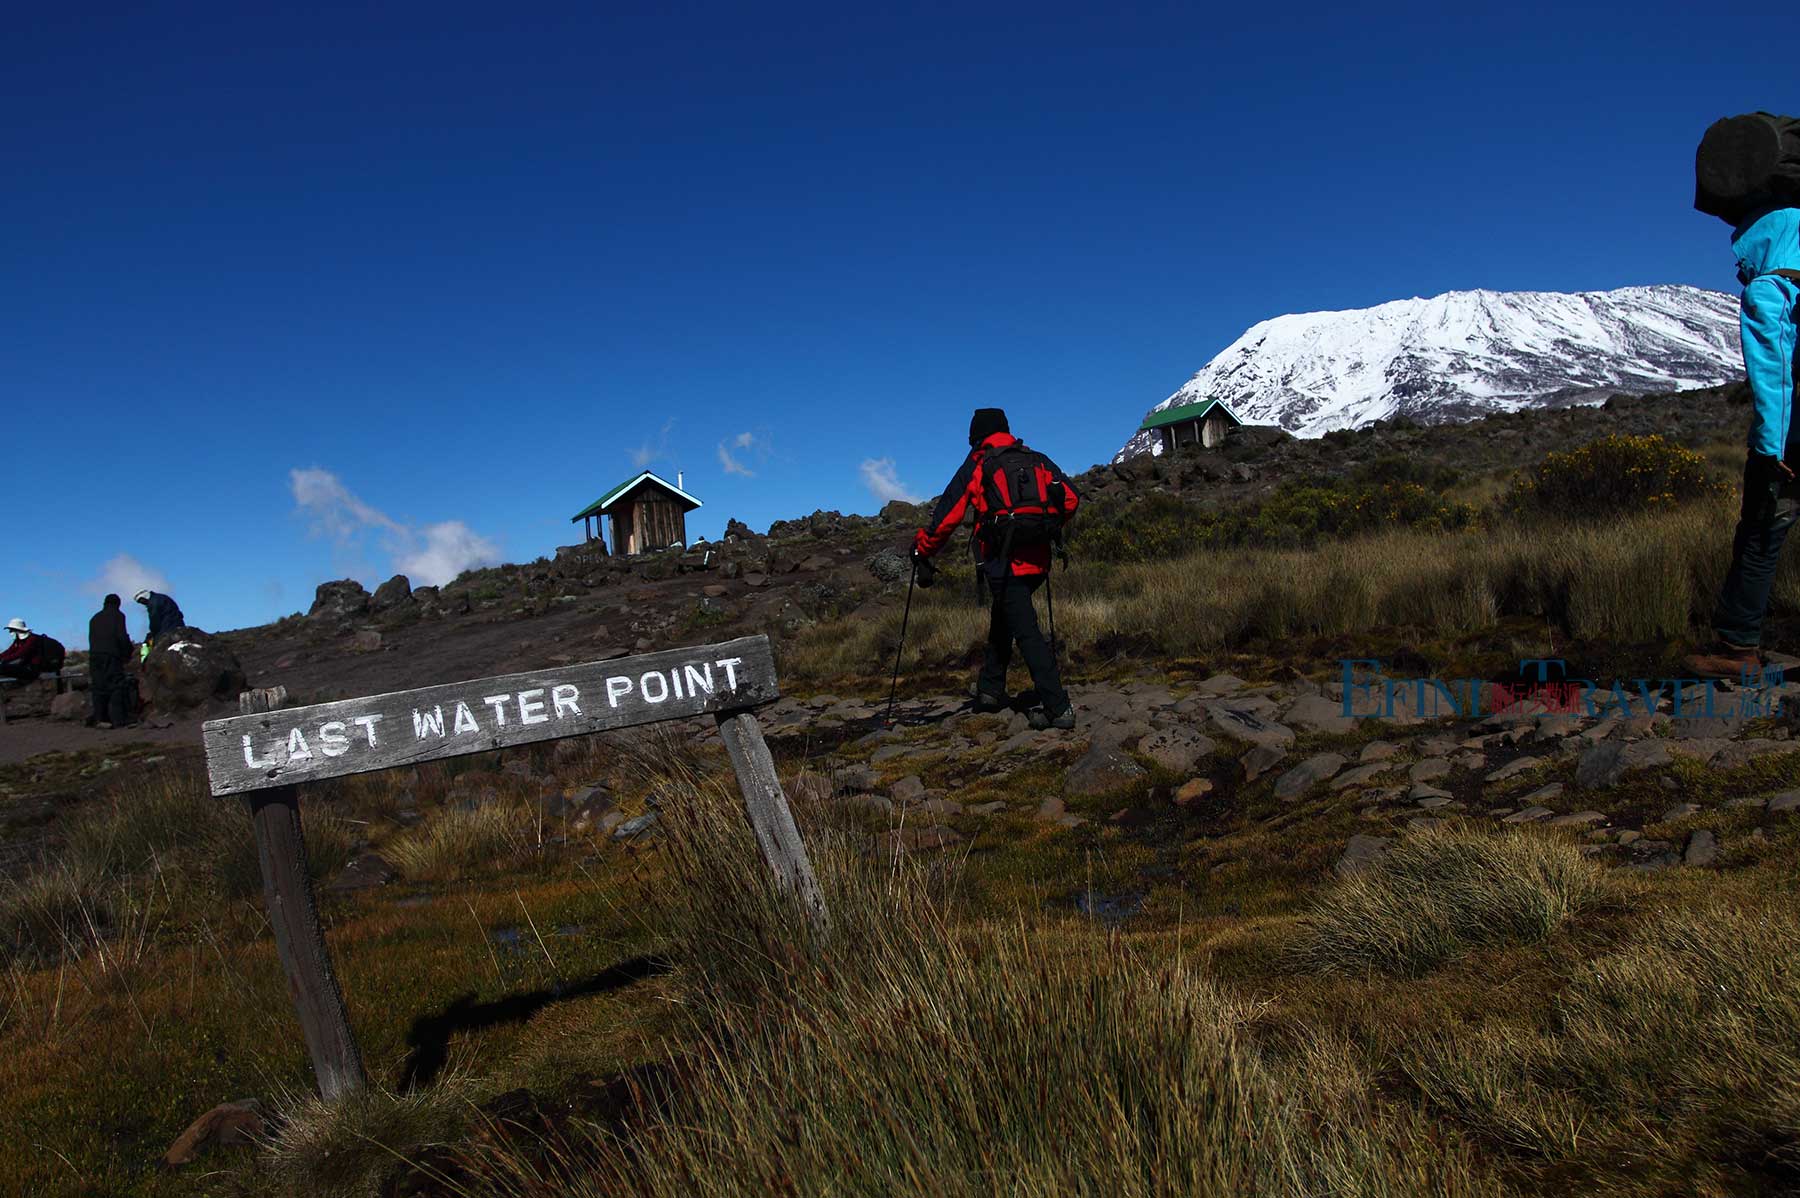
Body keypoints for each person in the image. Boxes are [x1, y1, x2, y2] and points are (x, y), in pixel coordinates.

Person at [1685, 205, 1800, 680]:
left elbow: (1773, 374)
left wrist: (1773, 450)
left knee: (1759, 538)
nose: (1739, 264)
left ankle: (1737, 651)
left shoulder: (1768, 292)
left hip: (1789, 447)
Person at [913, 407, 1081, 729]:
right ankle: (990, 689)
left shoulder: (979, 463)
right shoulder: (1037, 459)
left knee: (1026, 631)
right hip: (1039, 559)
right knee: (1004, 618)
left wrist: (923, 547)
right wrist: (1044, 526)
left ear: (976, 437)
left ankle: (1058, 707)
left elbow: (948, 516)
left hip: (1004, 561)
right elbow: (1071, 499)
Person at [87, 594, 134, 728]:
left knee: (98, 687)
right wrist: (127, 652)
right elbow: (121, 636)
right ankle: (119, 719)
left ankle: (100, 718)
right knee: (116, 686)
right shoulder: (118, 615)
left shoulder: (94, 618)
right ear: (118, 604)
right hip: (111, 655)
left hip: (95, 655)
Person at [0, 618, 65, 682]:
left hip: (35, 670)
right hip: (29, 667)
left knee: (2, 668)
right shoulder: (19, 641)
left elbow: (21, 653)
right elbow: (9, 651)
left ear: (17, 630)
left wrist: (4, 659)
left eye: (11, 630)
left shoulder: (32, 639)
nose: (10, 632)